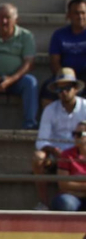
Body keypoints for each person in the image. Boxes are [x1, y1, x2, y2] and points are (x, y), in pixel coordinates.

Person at [33, 68, 86, 210]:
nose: (63, 92)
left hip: (81, 154)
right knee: (38, 157)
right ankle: (43, 202)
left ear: (75, 89)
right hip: (56, 155)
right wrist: (53, 150)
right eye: (59, 89)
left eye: (67, 88)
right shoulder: (50, 109)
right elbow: (41, 140)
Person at [49, 124, 86, 212]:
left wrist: (75, 185)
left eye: (79, 134)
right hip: (71, 197)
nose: (75, 137)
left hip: (73, 192)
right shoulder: (66, 154)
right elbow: (63, 184)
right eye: (74, 134)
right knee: (66, 203)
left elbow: (68, 184)